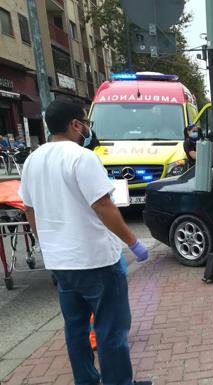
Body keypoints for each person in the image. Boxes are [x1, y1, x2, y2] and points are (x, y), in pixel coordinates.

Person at [18, 100, 151, 385]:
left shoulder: (32, 160)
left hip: (61, 264)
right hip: (96, 261)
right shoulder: (82, 157)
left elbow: (29, 209)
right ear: (75, 125)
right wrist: (133, 243)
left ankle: (87, 382)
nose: (87, 129)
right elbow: (103, 205)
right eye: (85, 123)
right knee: (111, 330)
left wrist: (47, 242)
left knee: (76, 329)